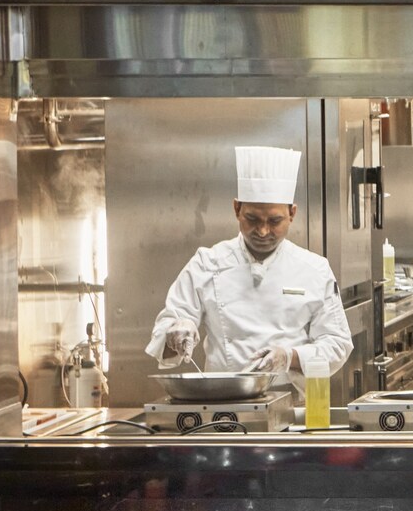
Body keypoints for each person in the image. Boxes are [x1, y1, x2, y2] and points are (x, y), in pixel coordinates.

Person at [146, 146, 353, 389]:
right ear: (237, 209)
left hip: (292, 403)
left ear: (292, 213)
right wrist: (178, 332)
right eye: (252, 219)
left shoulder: (314, 269)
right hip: (222, 401)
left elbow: (337, 344)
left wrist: (289, 357)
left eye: (274, 221)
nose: (263, 231)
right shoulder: (207, 263)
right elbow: (167, 330)